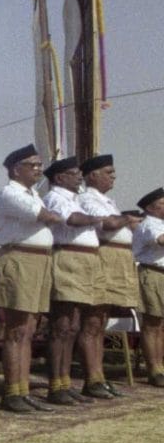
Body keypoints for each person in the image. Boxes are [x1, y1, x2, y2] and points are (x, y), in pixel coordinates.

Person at [0, 144, 63, 413]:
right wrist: (51, 217)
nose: (38, 169)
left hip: (38, 260)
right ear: (15, 169)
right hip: (19, 258)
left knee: (30, 328)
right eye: (32, 165)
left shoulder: (33, 193)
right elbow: (46, 216)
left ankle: (22, 389)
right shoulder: (10, 193)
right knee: (17, 329)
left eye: (39, 165)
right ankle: (12, 391)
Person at [42, 156, 110, 403]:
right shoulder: (55, 198)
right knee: (61, 325)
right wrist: (97, 219)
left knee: (72, 325)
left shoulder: (74, 199)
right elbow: (71, 220)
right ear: (60, 178)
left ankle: (65, 381)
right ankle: (56, 386)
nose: (79, 177)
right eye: (73, 173)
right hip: (68, 257)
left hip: (84, 260)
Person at [77, 154, 141, 397]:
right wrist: (127, 219)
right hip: (104, 257)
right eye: (108, 172)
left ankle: (99, 376)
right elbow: (107, 225)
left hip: (119, 258)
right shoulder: (87, 199)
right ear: (92, 175)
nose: (113, 176)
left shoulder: (107, 200)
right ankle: (91, 378)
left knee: (102, 321)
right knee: (92, 320)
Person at [133, 188, 164, 387]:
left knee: (160, 325)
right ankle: (153, 369)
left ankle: (160, 366)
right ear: (151, 208)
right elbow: (161, 240)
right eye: (162, 204)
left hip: (160, 275)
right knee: (152, 324)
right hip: (151, 274)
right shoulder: (150, 224)